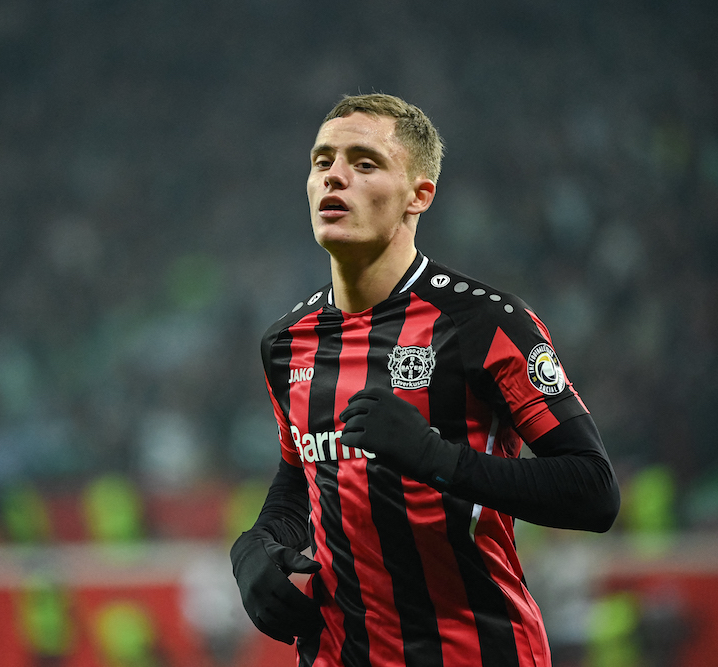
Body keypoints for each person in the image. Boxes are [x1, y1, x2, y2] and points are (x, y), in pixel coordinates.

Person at [230, 93, 621, 667]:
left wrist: (438, 459)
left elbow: (594, 491)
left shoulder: (483, 323)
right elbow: (300, 476)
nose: (334, 176)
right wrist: (256, 544)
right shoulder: (287, 343)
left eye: (365, 163)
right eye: (322, 161)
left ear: (419, 195)